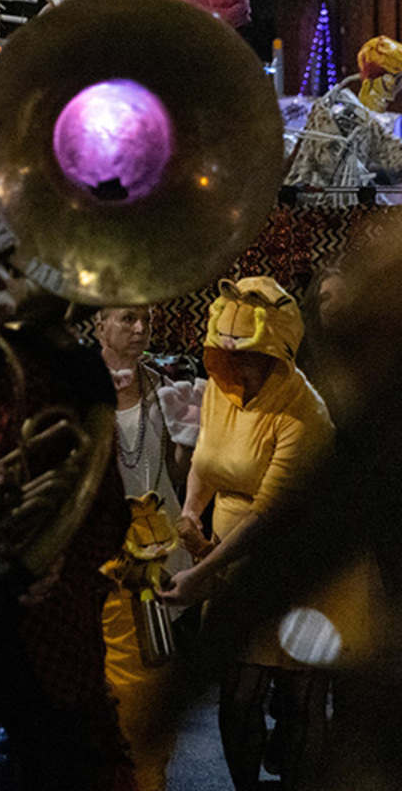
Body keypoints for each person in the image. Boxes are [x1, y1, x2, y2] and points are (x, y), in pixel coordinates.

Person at [161, 276, 344, 791]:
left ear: (278, 351)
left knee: (299, 693)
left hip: (292, 559)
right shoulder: (222, 389)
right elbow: (206, 456)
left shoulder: (303, 412)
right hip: (227, 554)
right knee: (238, 696)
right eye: (225, 351)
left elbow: (268, 516)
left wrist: (203, 573)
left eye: (248, 353)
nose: (234, 361)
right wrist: (192, 511)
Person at [93, 304, 193, 791]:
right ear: (99, 325)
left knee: (156, 690)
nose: (139, 330)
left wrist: (186, 448)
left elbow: (175, 477)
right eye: (127, 319)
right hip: (106, 560)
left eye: (147, 322)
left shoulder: (168, 389)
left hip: (161, 558)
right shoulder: (82, 386)